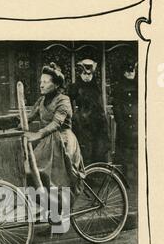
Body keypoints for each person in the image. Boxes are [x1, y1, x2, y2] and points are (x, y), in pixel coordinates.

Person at [23, 62, 85, 222]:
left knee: (57, 181)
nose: (41, 85)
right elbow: (28, 118)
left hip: (62, 142)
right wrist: (13, 124)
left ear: (56, 84)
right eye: (40, 81)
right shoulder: (42, 100)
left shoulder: (63, 100)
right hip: (47, 143)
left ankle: (59, 222)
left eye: (45, 82)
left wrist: (37, 134)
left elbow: (56, 123)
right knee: (31, 174)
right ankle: (54, 213)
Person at [68, 59, 109, 164]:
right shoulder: (75, 87)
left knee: (98, 151)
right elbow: (68, 101)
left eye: (89, 74)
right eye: (84, 74)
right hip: (82, 124)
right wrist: (74, 115)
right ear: (80, 73)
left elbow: (99, 105)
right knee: (85, 152)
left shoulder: (95, 87)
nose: (87, 77)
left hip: (97, 124)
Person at [112, 58, 138, 187]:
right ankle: (126, 179)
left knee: (136, 152)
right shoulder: (118, 87)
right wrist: (121, 124)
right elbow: (116, 107)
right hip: (124, 124)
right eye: (127, 72)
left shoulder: (139, 85)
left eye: (132, 72)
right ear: (123, 73)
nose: (130, 74)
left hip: (137, 124)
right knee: (125, 153)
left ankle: (137, 179)